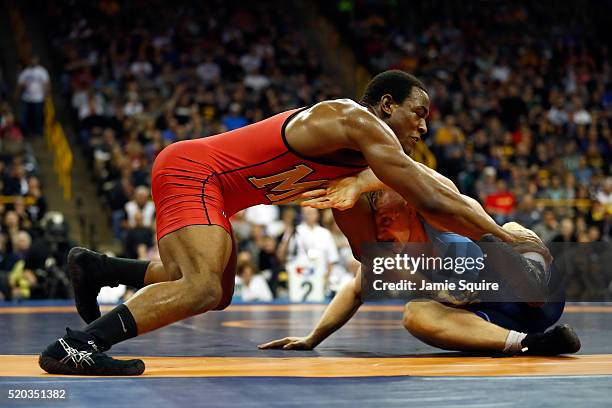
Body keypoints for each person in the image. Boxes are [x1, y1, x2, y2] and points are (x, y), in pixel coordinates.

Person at [39, 70, 543, 376]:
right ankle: (76, 347)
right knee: (198, 287)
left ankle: (99, 268)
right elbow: (428, 190)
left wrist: (316, 335)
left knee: (217, 293)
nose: (424, 125)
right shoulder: (354, 120)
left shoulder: (365, 159)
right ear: (386, 105)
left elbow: (396, 228)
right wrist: (503, 239)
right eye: (418, 112)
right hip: (195, 171)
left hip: (217, 190)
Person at [259, 156, 578, 356]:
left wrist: (361, 178)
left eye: (386, 219)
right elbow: (356, 290)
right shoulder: (395, 256)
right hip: (500, 320)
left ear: (409, 208)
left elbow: (418, 175)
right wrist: (312, 338)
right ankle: (530, 344)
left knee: (510, 228)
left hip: (535, 295)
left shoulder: (445, 214)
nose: (381, 230)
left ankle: (528, 289)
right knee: (416, 314)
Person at [16, 55, 49, 137]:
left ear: (37, 60)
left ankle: (39, 133)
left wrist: (46, 94)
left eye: (35, 59)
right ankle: (27, 134)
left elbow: (47, 83)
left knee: (38, 117)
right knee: (24, 117)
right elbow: (20, 84)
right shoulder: (26, 72)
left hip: (38, 98)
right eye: (32, 59)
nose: (33, 61)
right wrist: (16, 94)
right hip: (27, 98)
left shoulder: (42, 71)